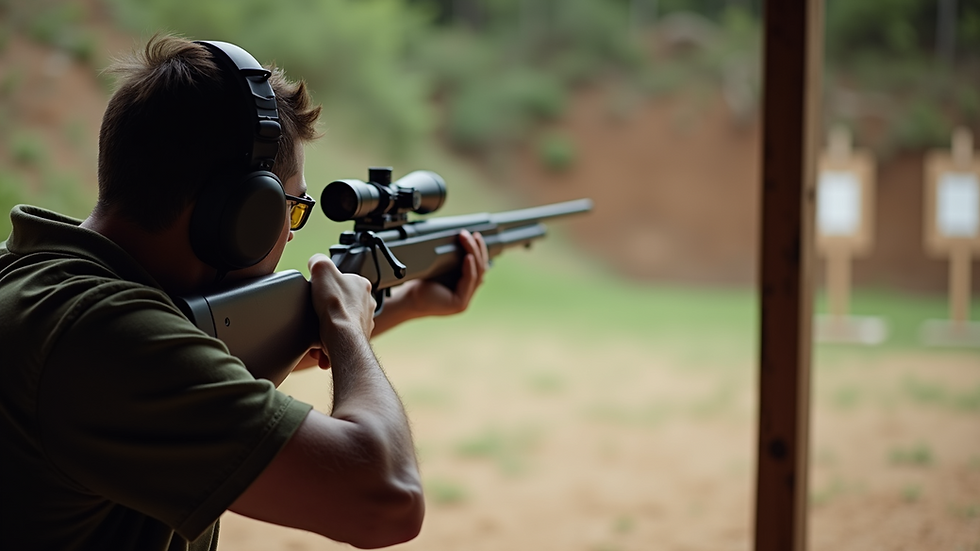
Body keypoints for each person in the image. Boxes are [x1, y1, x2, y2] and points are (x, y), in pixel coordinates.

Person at [0, 34, 489, 550]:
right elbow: (387, 499)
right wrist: (347, 328)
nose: (292, 231)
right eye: (291, 207)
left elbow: (206, 364)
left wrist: (407, 304)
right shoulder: (100, 335)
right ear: (244, 211)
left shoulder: (40, 281)